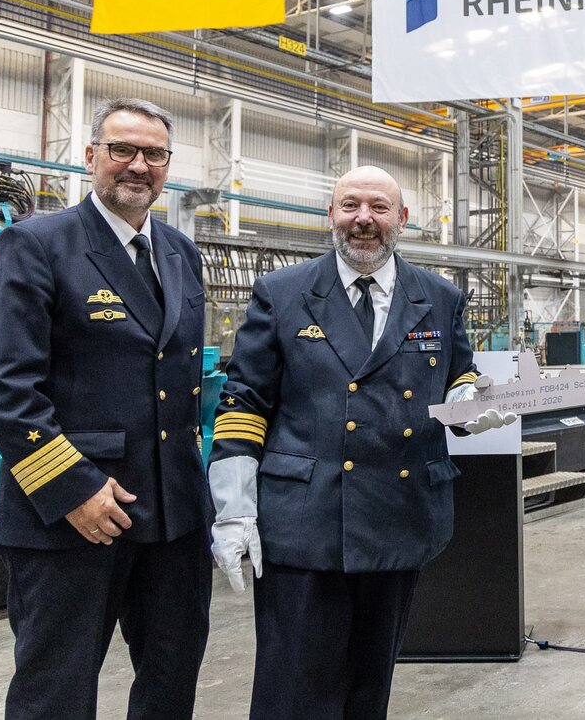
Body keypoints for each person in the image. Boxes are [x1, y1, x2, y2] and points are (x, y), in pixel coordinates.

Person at [208, 165, 513, 720]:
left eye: (378, 208)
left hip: (399, 515)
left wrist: (474, 402)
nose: (363, 220)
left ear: (402, 219)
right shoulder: (283, 293)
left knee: (369, 686)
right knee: (292, 689)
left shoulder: (439, 297)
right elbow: (244, 401)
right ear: (330, 214)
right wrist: (232, 508)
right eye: (350, 206)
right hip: (304, 520)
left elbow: (458, 377)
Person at [0, 98, 211, 720]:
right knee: (58, 691)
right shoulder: (36, 244)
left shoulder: (183, 253)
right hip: (72, 516)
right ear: (91, 157)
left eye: (153, 154)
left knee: (171, 679)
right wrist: (71, 486)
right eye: (122, 150)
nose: (137, 165)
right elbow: (1, 382)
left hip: (173, 517)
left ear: (167, 165)